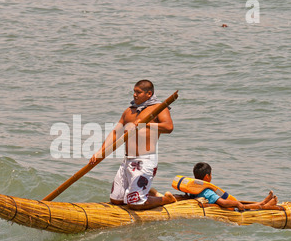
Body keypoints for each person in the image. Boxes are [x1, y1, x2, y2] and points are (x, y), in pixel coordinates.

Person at [89, 80, 177, 210]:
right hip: (128, 159)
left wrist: (145, 124)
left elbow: (169, 127)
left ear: (149, 93)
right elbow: (115, 133)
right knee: (116, 200)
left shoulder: (158, 108)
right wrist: (100, 152)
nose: (135, 95)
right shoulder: (129, 111)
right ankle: (145, 190)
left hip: (145, 160)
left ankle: (165, 199)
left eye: (138, 92)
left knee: (135, 203)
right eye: (134, 92)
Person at [177, 162, 278, 211]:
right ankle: (264, 206)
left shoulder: (194, 189)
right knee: (242, 205)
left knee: (240, 203)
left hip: (212, 204)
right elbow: (223, 203)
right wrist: (237, 204)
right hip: (230, 210)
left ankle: (262, 202)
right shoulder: (206, 191)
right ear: (207, 177)